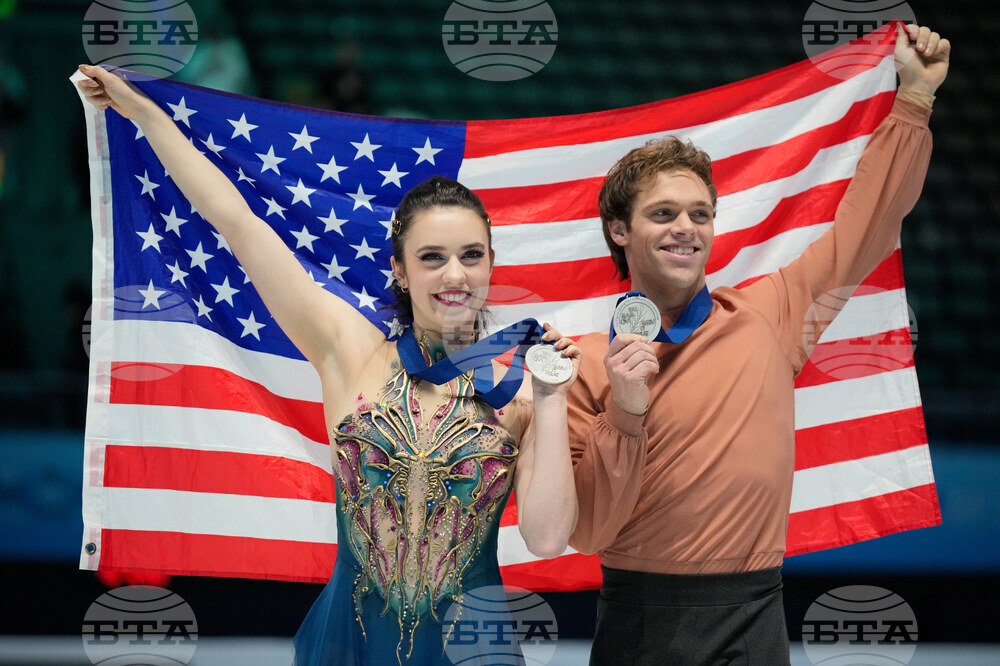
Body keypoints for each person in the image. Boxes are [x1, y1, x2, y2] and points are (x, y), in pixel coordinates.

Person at [76, 65, 580, 664]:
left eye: (471, 256)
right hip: (348, 644)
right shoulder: (351, 352)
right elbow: (238, 223)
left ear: (492, 263)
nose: (454, 274)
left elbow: (548, 538)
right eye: (432, 257)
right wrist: (144, 113)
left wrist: (553, 400)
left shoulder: (519, 396)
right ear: (400, 269)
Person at [565, 23, 949, 665]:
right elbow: (588, 530)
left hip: (757, 617)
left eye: (699, 214)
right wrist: (626, 411)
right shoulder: (584, 366)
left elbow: (868, 226)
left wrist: (915, 100)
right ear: (619, 230)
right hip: (640, 622)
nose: (685, 228)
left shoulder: (769, 313)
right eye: (662, 214)